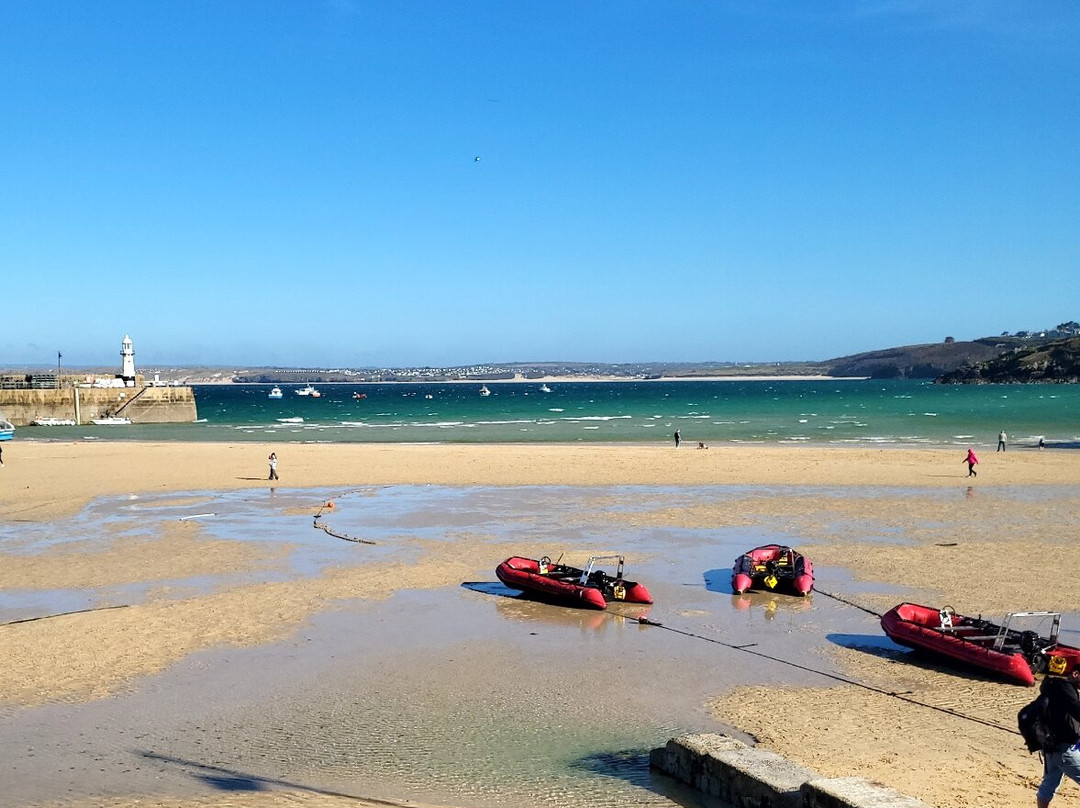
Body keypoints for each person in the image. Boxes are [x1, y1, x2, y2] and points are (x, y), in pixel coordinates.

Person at [1036, 658, 1080, 807]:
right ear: (1075, 674)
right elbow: (1077, 711)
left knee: (1049, 785)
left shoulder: (1054, 687)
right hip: (1062, 749)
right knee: (1049, 785)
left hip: (1051, 745)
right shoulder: (1065, 688)